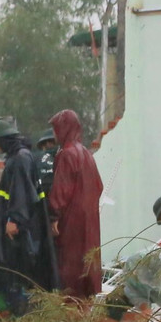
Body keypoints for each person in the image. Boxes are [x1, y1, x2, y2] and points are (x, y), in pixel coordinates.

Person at [0, 120, 57, 315]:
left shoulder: (21, 158)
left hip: (20, 229)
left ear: (3, 140)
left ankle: (22, 314)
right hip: (20, 226)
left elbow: (22, 191)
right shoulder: (18, 157)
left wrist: (15, 219)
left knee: (16, 271)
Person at [47, 110, 103, 298]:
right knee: (88, 264)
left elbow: (61, 190)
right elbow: (99, 186)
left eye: (56, 129)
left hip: (71, 223)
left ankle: (73, 317)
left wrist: (54, 216)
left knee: (70, 269)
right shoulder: (87, 154)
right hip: (90, 220)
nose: (54, 134)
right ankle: (86, 315)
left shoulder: (66, 154)